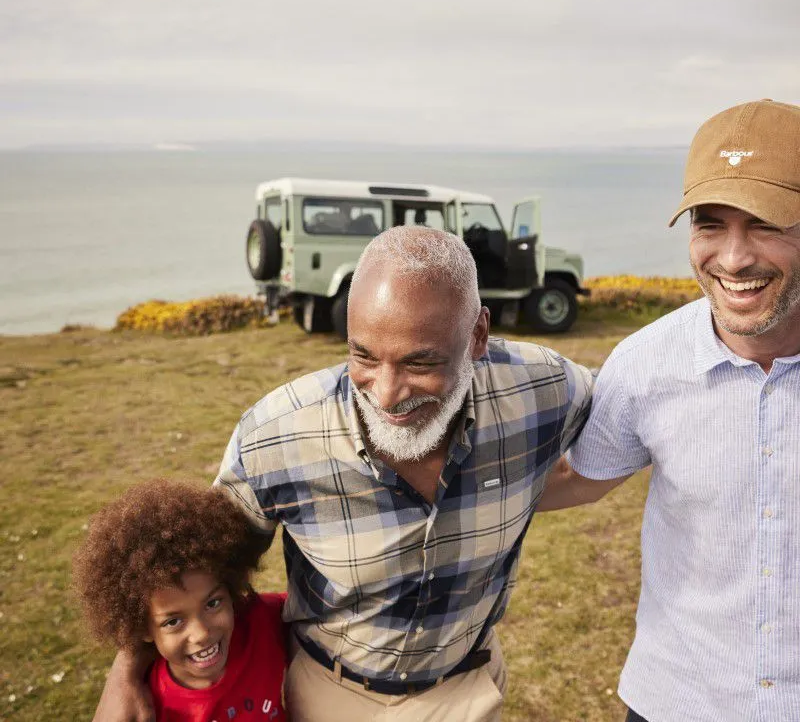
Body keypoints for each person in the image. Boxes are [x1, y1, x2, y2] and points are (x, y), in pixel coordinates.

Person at [93, 226, 592, 722]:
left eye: (421, 362)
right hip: (330, 695)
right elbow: (187, 571)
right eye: (364, 356)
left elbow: (630, 423)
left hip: (470, 689)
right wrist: (127, 671)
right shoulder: (274, 436)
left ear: (478, 335)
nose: (388, 393)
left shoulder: (544, 389)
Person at [539, 99, 800, 722]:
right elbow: (575, 479)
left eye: (766, 224)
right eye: (709, 224)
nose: (733, 259)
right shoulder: (644, 364)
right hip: (679, 702)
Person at [74, 480, 288, 722]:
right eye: (173, 621)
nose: (201, 634)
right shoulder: (148, 708)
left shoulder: (262, 622)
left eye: (212, 603)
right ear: (143, 629)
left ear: (231, 589)